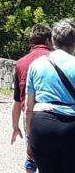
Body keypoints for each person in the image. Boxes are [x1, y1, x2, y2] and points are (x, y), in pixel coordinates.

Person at [26, 19, 75, 173]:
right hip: (70, 127)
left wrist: (29, 138)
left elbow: (29, 106)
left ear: (53, 41)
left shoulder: (36, 64)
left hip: (41, 125)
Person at [11, 23, 52, 172]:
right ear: (48, 40)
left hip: (30, 114)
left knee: (32, 153)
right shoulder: (58, 60)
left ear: (31, 41)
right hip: (53, 114)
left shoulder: (21, 63)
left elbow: (17, 100)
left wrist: (15, 126)